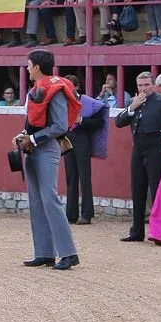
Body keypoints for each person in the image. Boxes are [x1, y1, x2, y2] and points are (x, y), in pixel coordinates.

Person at [13, 49, 81, 271]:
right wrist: (23, 135)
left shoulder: (55, 90)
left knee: (49, 199)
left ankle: (69, 253)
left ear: (36, 67)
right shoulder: (38, 89)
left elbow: (60, 126)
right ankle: (44, 253)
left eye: (28, 64)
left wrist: (32, 138)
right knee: (36, 200)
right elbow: (32, 121)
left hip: (47, 148)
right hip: (33, 148)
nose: (26, 68)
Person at [114, 71, 161, 242]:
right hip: (138, 148)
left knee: (157, 191)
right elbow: (118, 122)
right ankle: (137, 232)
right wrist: (132, 107)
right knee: (137, 189)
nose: (143, 89)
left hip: (155, 148)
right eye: (140, 85)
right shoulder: (134, 102)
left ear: (153, 85)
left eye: (146, 85)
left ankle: (160, 232)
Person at [63, 75, 108, 225]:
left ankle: (86, 214)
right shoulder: (63, 101)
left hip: (82, 140)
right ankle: (71, 214)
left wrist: (81, 121)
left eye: (70, 86)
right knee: (71, 177)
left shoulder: (87, 102)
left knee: (84, 177)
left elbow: (100, 122)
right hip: (68, 140)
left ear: (77, 87)